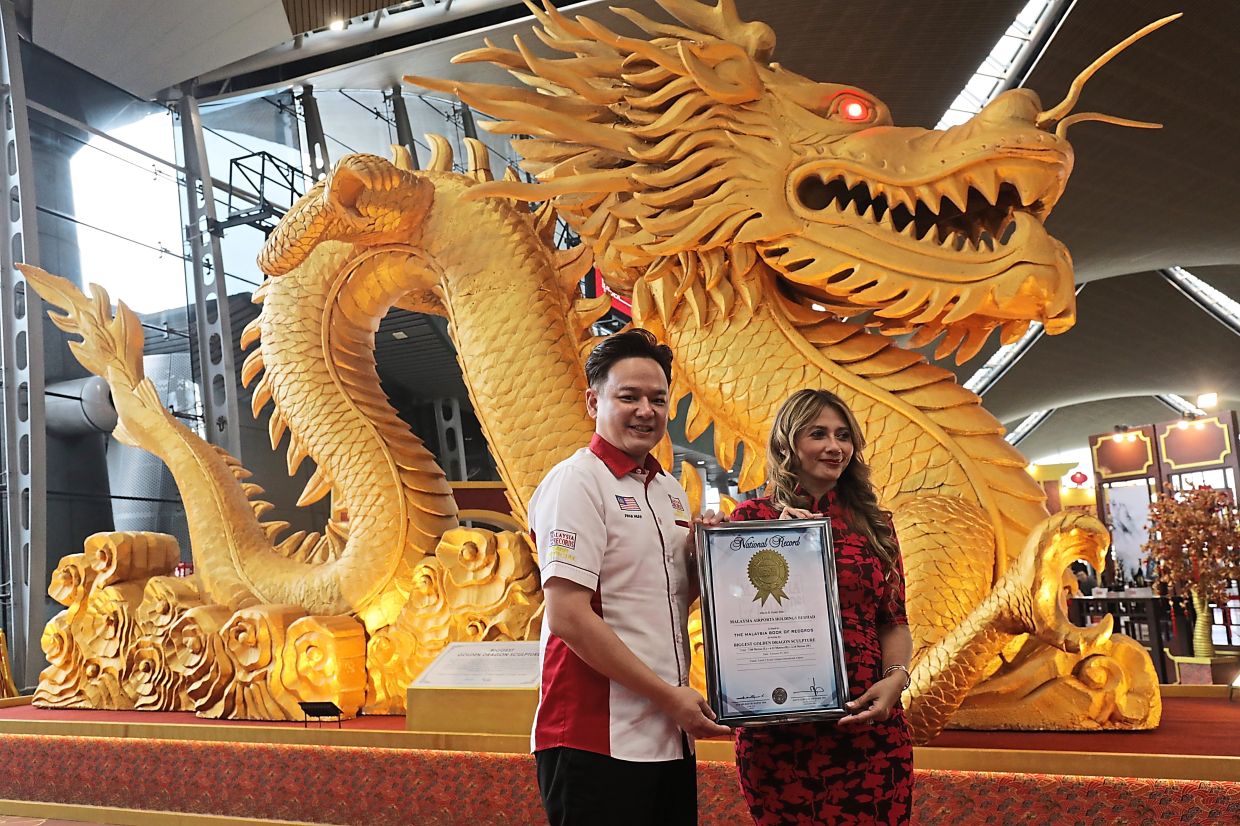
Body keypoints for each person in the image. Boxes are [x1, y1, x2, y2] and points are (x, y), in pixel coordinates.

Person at [528, 328, 730, 826]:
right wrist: (670, 697)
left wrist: (711, 561)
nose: (646, 410)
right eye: (629, 396)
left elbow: (664, 603)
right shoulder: (577, 482)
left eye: (658, 399)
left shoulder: (668, 490)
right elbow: (568, 617)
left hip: (667, 734)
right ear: (593, 400)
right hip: (594, 735)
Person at [716, 388, 914, 825]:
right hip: (779, 736)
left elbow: (894, 621)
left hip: (869, 726)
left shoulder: (877, 526)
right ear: (788, 443)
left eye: (843, 436)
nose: (834, 447)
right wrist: (777, 546)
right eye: (818, 433)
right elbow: (733, 627)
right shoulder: (750, 521)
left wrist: (896, 681)